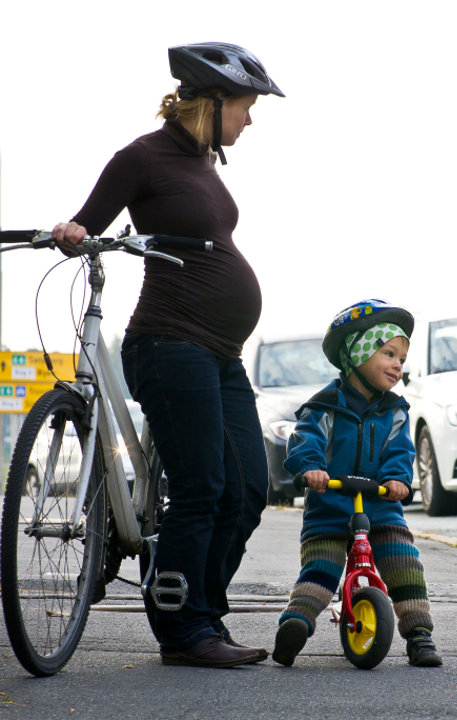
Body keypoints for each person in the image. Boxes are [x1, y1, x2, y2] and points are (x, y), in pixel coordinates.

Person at [52, 43, 284, 668]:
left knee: (248, 489)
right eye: (245, 106)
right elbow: (87, 222)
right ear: (212, 100)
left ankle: (196, 607)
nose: (250, 120)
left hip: (221, 352)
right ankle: (184, 631)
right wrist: (73, 231)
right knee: (202, 486)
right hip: (171, 343)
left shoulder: (204, 159)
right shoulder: (142, 157)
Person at [273, 300, 443, 667]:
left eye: (402, 358)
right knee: (321, 569)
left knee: (403, 562)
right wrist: (312, 469)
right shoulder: (324, 405)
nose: (398, 365)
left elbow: (400, 449)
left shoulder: (394, 410)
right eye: (388, 353)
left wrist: (397, 478)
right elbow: (306, 440)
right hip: (330, 506)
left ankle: (419, 634)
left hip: (380, 505)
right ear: (357, 354)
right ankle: (296, 624)